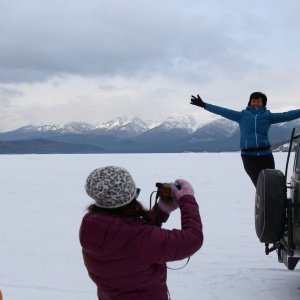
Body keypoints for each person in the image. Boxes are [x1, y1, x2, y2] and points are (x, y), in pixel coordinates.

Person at [79, 166, 203, 300]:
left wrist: (161, 211)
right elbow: (192, 239)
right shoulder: (139, 238)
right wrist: (187, 199)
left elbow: (128, 238)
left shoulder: (90, 224)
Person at [190, 92, 300, 187]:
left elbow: (288, 115)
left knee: (272, 185)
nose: (256, 103)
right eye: (253, 101)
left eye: (258, 101)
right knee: (260, 186)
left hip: (266, 155)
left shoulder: (268, 116)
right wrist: (204, 105)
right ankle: (264, 209)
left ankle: (276, 209)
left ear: (263, 104)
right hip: (249, 157)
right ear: (250, 102)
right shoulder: (242, 116)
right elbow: (223, 111)